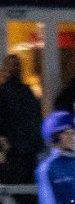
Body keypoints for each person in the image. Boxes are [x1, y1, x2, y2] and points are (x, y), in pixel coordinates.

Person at [0, 54, 44, 195]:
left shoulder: (25, 92)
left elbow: (35, 118)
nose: (15, 68)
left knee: (22, 189)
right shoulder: (19, 92)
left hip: (23, 149)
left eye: (17, 65)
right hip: (17, 150)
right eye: (12, 65)